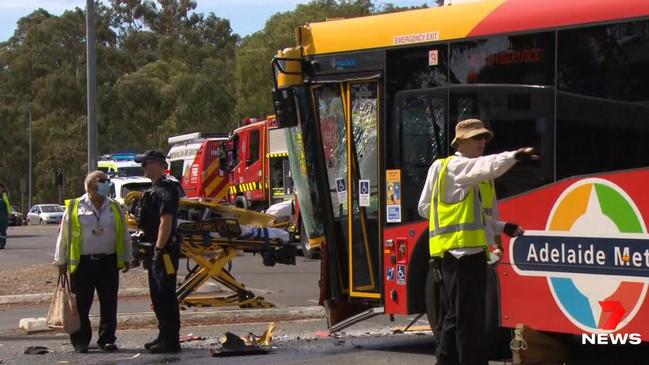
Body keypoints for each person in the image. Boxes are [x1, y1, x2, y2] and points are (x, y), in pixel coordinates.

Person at [418, 119, 537, 365]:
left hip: (469, 255)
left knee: (455, 318)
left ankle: (445, 361)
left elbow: (482, 218)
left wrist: (504, 228)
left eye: (484, 138)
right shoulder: (452, 168)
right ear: (460, 142)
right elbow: (426, 208)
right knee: (468, 321)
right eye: (476, 138)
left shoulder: (480, 177)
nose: (482, 142)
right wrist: (515, 155)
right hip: (458, 256)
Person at [53, 171, 132, 353]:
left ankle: (107, 339)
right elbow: (63, 236)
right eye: (101, 181)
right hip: (83, 264)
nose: (105, 184)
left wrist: (127, 256)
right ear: (89, 185)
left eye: (106, 181)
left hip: (108, 262)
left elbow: (124, 234)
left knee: (109, 303)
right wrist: (61, 261)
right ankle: (81, 340)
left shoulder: (114, 207)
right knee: (81, 304)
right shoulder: (74, 206)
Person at [134, 150, 182, 354]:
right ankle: (163, 336)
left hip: (165, 250)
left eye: (145, 164)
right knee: (157, 296)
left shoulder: (167, 190)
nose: (142, 168)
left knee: (166, 295)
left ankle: (171, 341)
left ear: (157, 164)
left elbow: (166, 222)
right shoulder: (155, 189)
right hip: (156, 248)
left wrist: (159, 250)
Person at [0, 183, 12, 249]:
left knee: (3, 231)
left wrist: (9, 213)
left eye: (0, 188)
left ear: (2, 189)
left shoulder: (4, 196)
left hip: (3, 216)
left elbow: (8, 205)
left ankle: (2, 244)